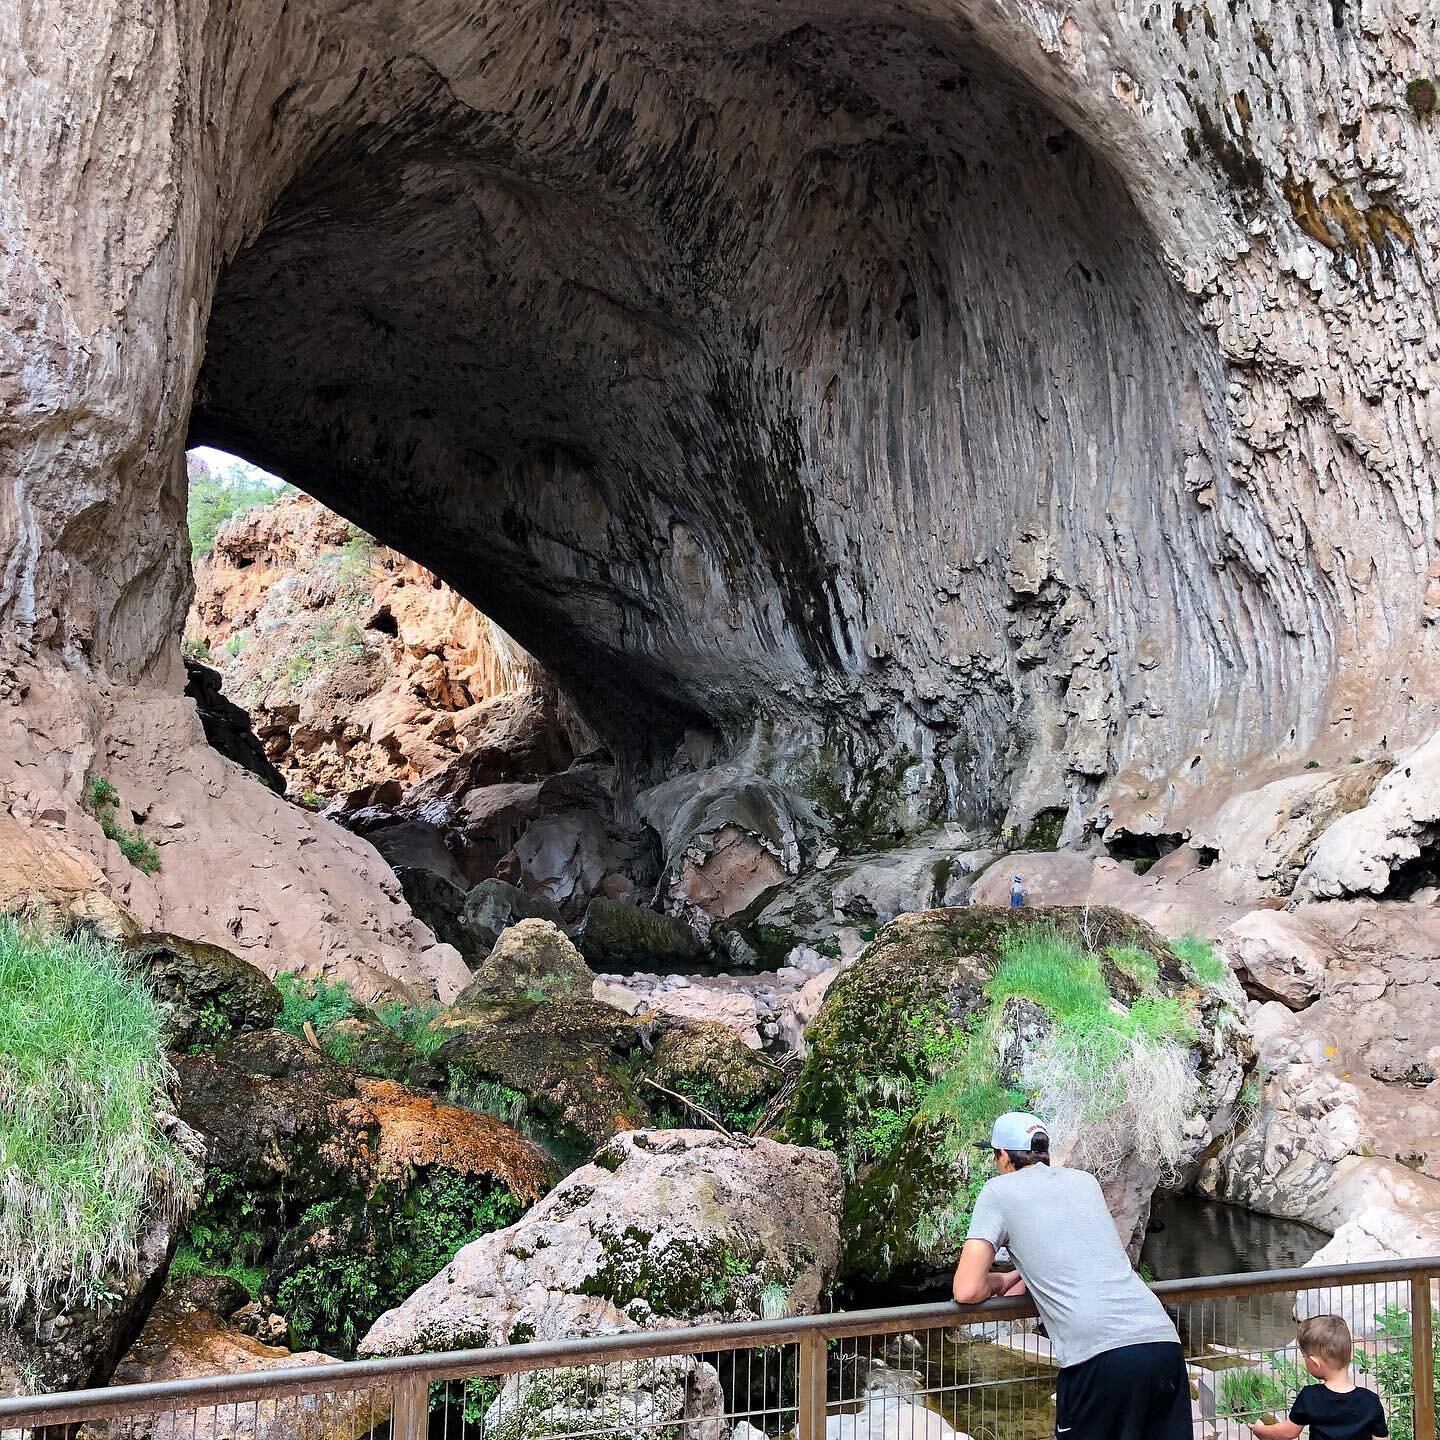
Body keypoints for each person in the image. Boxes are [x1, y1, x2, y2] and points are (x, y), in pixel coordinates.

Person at [952, 1111, 1191, 1439]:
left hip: (1100, 1358)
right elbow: (1080, 1257)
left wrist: (1000, 1280)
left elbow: (965, 1289)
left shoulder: (998, 1192)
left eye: (996, 1155)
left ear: (1004, 1156)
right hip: (1161, 1343)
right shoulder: (1083, 1182)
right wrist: (1018, 1277)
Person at [1248, 1314, 1387, 1440]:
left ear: (1315, 1363)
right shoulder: (1370, 1401)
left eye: (1304, 1356)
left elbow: (1288, 1432)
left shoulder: (1310, 1396)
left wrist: (1261, 1430)